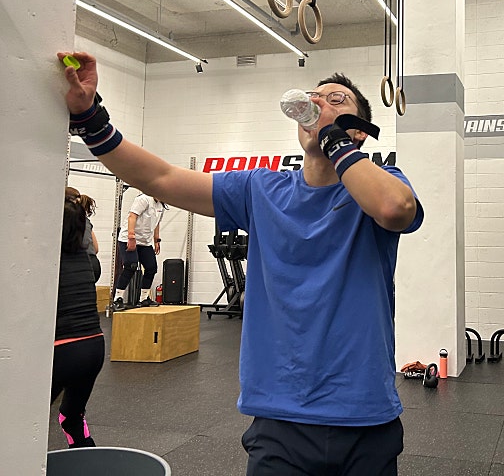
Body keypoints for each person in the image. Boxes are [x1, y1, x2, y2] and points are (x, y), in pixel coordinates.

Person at [59, 51, 423, 475]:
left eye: (336, 100)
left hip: (364, 414)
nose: (318, 102)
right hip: (280, 417)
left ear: (358, 131)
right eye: (313, 96)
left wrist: (335, 141)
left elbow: (394, 208)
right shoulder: (261, 188)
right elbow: (160, 179)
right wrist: (89, 116)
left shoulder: (387, 182)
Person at [52, 199, 105, 448]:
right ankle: (89, 463)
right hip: (94, 348)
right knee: (71, 418)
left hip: (63, 351)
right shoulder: (85, 258)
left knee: (22, 417)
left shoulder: (48, 260)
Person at [112, 193, 166, 310]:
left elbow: (157, 223)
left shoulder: (161, 205)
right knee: (131, 266)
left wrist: (156, 240)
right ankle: (117, 299)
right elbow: (132, 216)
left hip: (144, 242)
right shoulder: (144, 199)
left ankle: (143, 298)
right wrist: (131, 237)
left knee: (151, 268)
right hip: (128, 238)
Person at [65, 186, 101, 281]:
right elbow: (96, 248)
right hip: (93, 263)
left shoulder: (66, 220)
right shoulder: (85, 221)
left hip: (78, 264)